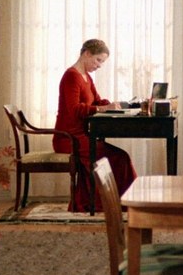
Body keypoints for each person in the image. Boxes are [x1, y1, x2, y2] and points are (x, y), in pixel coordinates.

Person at [53, 39, 137, 212]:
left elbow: (96, 101)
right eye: (98, 60)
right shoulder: (71, 76)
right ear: (87, 54)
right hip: (69, 138)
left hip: (83, 136)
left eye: (102, 62)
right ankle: (122, 203)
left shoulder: (86, 77)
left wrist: (112, 104)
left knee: (119, 156)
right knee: (120, 158)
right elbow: (75, 109)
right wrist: (103, 108)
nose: (99, 65)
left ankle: (114, 202)